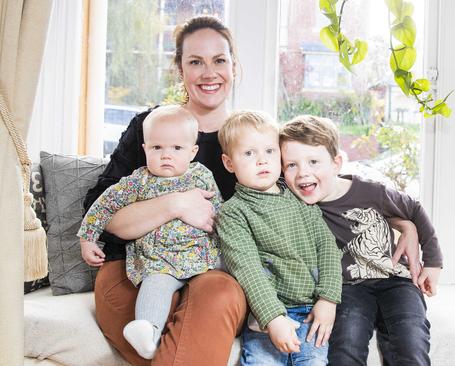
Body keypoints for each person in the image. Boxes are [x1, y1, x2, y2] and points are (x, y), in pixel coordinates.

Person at [81, 16, 247, 366]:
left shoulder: (251, 138)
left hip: (212, 272)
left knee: (218, 294)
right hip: (136, 268)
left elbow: (307, 189)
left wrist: (393, 213)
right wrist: (175, 203)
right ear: (179, 68)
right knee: (149, 325)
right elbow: (105, 213)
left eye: (219, 60)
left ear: (234, 66)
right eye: (195, 61)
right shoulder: (149, 127)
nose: (209, 72)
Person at [279, 115, 443, 366]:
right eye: (291, 165)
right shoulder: (294, 203)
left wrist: (433, 262)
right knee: (345, 347)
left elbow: (414, 210)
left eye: (314, 161)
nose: (303, 173)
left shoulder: (371, 192)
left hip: (395, 280)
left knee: (410, 341)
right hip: (348, 289)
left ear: (336, 163)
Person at [78, 105, 223, 359]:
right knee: (154, 286)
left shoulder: (202, 176)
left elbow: (218, 211)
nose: (166, 155)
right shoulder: (137, 181)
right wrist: (87, 237)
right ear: (145, 149)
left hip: (203, 255)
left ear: (193, 152)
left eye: (176, 148)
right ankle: (147, 330)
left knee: (239, 268)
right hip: (160, 260)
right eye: (157, 148)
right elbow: (103, 204)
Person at [216, 111, 342, 366]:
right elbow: (248, 270)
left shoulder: (299, 198)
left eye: (270, 152)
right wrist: (273, 318)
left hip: (309, 310)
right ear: (229, 163)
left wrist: (328, 299)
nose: (262, 160)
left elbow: (328, 249)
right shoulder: (233, 212)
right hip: (265, 313)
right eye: (249, 154)